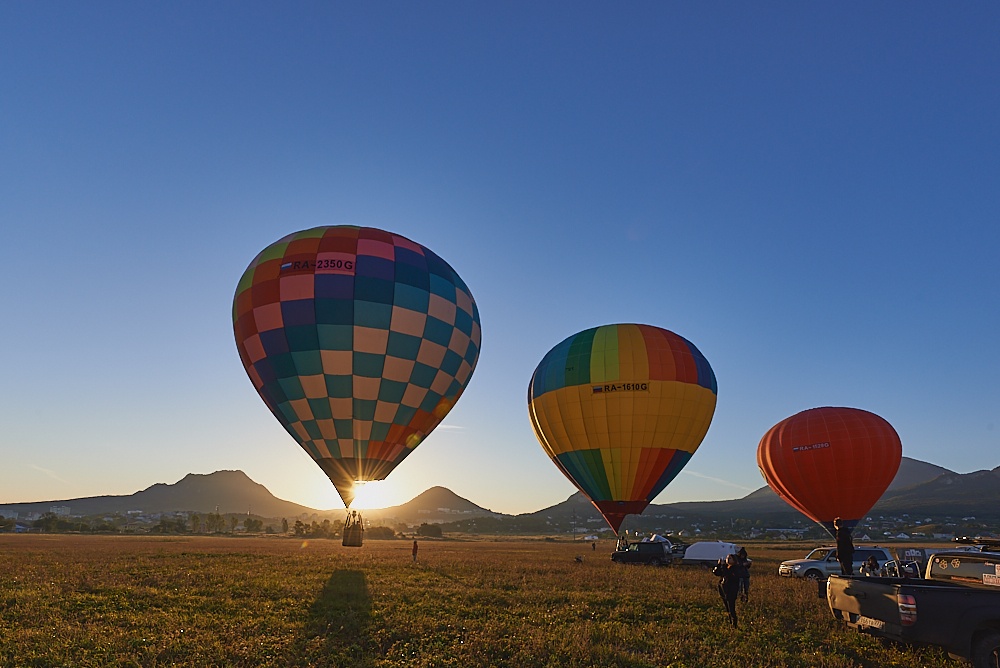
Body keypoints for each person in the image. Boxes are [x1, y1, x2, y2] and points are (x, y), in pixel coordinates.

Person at [712, 554, 748, 629]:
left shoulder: (736, 568)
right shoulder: (725, 567)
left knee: (731, 607)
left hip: (732, 590)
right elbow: (716, 573)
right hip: (723, 589)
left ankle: (734, 624)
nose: (728, 560)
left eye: (730, 558)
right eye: (727, 558)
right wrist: (719, 565)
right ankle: (730, 622)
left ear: (734, 560)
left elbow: (729, 575)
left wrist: (723, 567)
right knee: (727, 607)